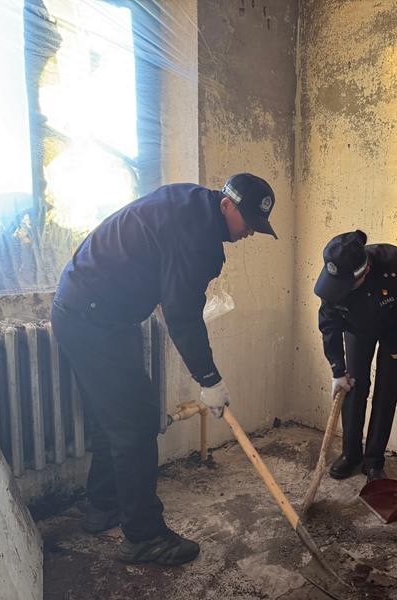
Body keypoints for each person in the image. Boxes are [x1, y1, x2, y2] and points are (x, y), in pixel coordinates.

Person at [51, 174, 277, 565]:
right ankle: (144, 537)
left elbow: (161, 268)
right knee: (137, 423)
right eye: (249, 223)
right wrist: (209, 379)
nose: (251, 233)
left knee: (113, 418)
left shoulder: (191, 203)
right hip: (93, 319)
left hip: (88, 310)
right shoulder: (198, 236)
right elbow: (182, 314)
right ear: (227, 204)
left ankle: (104, 505)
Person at [314, 230, 397, 482]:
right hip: (356, 329)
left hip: (396, 327)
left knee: (386, 391)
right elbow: (329, 326)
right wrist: (337, 370)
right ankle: (351, 455)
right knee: (353, 387)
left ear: (365, 272)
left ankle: (373, 461)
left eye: (345, 285)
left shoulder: (396, 264)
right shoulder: (332, 283)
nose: (338, 290)